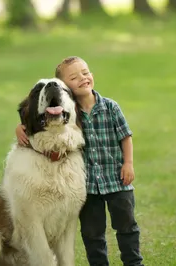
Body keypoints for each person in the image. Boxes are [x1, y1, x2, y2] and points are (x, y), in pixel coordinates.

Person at [15, 56, 144, 266]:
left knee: (127, 226)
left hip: (117, 180)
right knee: (93, 234)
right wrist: (19, 127)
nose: (83, 78)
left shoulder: (111, 107)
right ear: (66, 88)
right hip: (89, 186)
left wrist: (128, 163)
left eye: (85, 73)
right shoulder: (69, 111)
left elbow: (126, 136)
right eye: (74, 77)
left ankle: (134, 262)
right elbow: (39, 118)